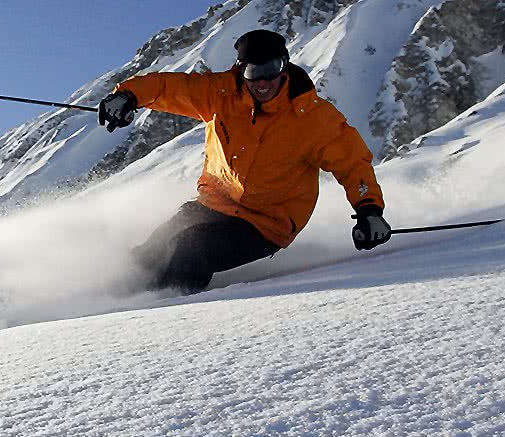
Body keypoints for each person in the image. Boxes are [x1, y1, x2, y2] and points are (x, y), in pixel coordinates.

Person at [98, 29, 391, 294]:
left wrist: (369, 210)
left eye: (272, 69)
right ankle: (110, 297)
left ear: (285, 66)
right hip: (216, 202)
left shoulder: (312, 117)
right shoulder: (220, 93)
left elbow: (352, 163)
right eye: (254, 71)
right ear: (240, 70)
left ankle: (158, 312)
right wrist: (127, 96)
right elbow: (169, 87)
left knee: (190, 248)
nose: (264, 81)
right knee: (154, 249)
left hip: (267, 222)